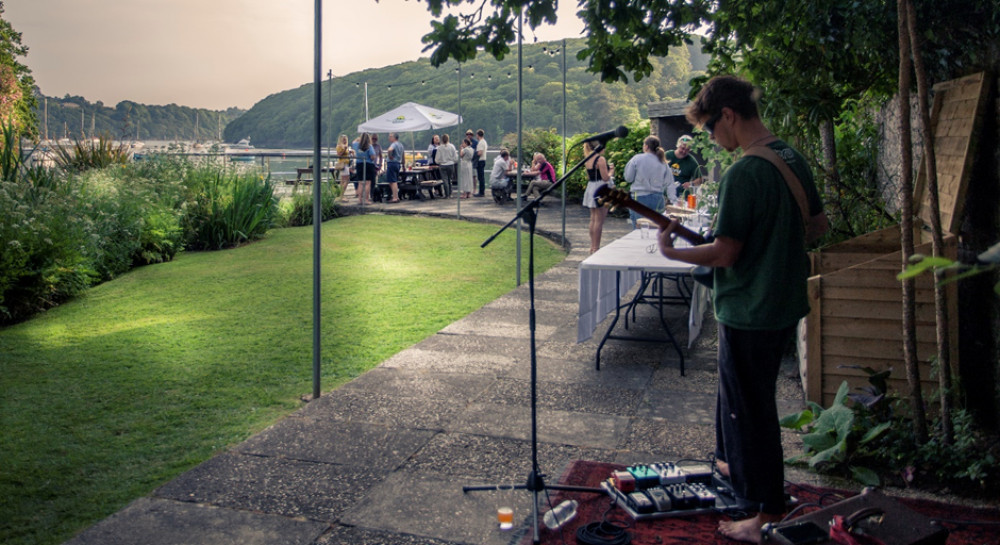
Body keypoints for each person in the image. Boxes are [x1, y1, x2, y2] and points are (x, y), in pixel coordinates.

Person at [657, 75, 828, 544]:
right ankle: (744, 476)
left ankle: (765, 513)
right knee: (751, 404)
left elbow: (726, 252)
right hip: (783, 301)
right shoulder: (790, 157)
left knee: (751, 413)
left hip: (749, 308)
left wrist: (673, 253)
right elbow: (817, 225)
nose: (713, 138)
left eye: (712, 127)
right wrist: (773, 248)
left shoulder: (744, 172)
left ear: (728, 115)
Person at [623, 135, 676, 227]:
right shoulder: (663, 163)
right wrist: (673, 200)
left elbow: (628, 178)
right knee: (656, 228)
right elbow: (670, 183)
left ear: (646, 146)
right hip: (658, 198)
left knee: (640, 228)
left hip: (639, 198)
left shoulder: (637, 159)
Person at [582, 140, 614, 253]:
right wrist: (611, 171)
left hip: (591, 186)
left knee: (593, 218)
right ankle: (596, 247)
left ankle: (592, 246)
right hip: (600, 188)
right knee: (599, 220)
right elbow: (605, 177)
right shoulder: (600, 159)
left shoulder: (588, 158)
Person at [351, 132, 377, 205]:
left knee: (360, 182)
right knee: (367, 183)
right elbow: (372, 156)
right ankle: (366, 199)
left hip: (359, 164)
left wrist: (359, 138)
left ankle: (359, 199)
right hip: (368, 164)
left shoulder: (356, 145)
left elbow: (353, 142)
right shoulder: (369, 146)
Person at [435, 133, 458, 197]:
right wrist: (453, 161)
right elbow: (455, 157)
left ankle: (447, 194)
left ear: (442, 140)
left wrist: (438, 162)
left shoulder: (440, 148)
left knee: (445, 180)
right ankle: (450, 193)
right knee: (449, 179)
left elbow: (437, 159)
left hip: (442, 165)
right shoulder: (452, 146)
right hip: (450, 164)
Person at [385, 132, 404, 203]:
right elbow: (403, 155)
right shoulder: (400, 145)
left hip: (392, 163)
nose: (389, 138)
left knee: (393, 181)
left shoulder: (394, 144)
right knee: (393, 180)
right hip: (398, 163)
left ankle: (395, 197)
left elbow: (389, 150)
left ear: (394, 137)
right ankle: (396, 196)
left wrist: (389, 156)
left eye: (390, 136)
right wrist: (403, 165)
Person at [335, 134, 354, 201]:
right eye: (343, 139)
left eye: (346, 139)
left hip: (346, 164)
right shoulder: (340, 146)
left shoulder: (346, 146)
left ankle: (341, 195)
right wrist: (344, 150)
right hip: (343, 164)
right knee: (346, 179)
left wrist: (350, 151)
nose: (345, 141)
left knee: (343, 180)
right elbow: (339, 155)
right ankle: (341, 195)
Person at [474, 129, 488, 197]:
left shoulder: (481, 142)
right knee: (481, 177)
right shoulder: (484, 142)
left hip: (481, 160)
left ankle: (481, 192)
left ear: (478, 135)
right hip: (483, 160)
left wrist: (474, 154)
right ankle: (481, 191)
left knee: (481, 177)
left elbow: (480, 152)